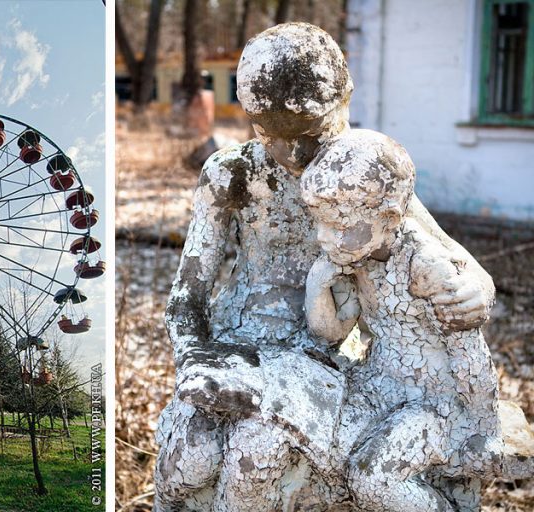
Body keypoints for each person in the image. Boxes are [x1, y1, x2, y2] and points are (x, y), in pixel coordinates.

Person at [155, 23, 495, 512]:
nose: (294, 155)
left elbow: (441, 248)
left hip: (324, 350)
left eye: (310, 135)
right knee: (188, 460)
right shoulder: (231, 173)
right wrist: (193, 358)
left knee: (255, 454)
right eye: (271, 134)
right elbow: (187, 297)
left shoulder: (358, 173)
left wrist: (477, 286)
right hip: (237, 343)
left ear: (344, 104)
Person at [301, 129, 501, 511]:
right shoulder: (353, 256)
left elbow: (471, 356)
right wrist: (317, 287)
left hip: (434, 403)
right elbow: (331, 332)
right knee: (316, 440)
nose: (324, 238)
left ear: (388, 217)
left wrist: (485, 430)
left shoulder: (426, 266)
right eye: (319, 223)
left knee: (372, 478)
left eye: (339, 226)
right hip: (377, 382)